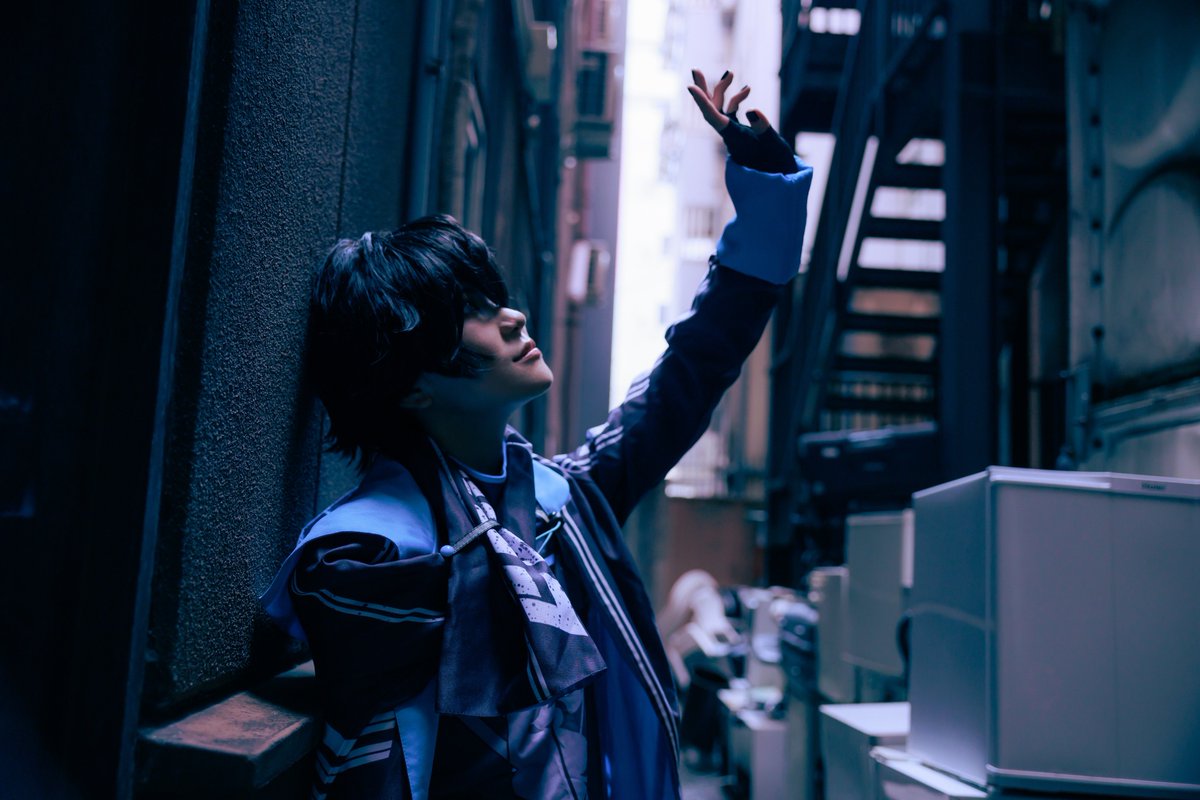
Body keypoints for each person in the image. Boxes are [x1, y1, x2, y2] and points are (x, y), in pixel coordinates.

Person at [261, 69, 812, 799]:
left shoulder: (561, 499)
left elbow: (697, 364)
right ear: (412, 383)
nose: (513, 316)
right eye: (472, 312)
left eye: (494, 298)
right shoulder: (366, 550)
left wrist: (766, 178)